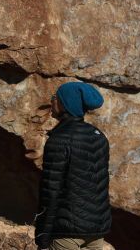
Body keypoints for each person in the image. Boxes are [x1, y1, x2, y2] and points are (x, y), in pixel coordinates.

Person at [35, 82, 111, 250]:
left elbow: (51, 191)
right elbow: (101, 186)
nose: (52, 101)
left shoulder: (59, 140)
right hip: (96, 231)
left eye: (55, 97)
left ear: (66, 104)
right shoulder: (98, 137)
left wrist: (42, 236)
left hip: (67, 235)